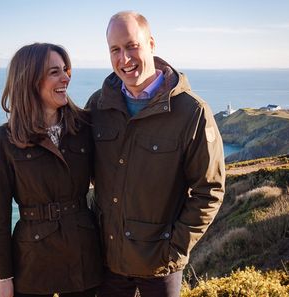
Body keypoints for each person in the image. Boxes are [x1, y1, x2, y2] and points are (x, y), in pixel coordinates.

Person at [86, 11, 225, 297]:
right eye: (115, 50)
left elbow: (209, 190)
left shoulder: (192, 112)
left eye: (131, 45)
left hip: (160, 267)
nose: (124, 59)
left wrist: (174, 249)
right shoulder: (98, 105)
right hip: (107, 261)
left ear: (151, 44)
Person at [0, 43, 102, 297]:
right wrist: (2, 277)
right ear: (29, 80)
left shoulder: (85, 127)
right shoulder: (3, 140)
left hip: (85, 256)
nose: (66, 78)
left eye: (65, 70)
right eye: (54, 72)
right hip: (33, 264)